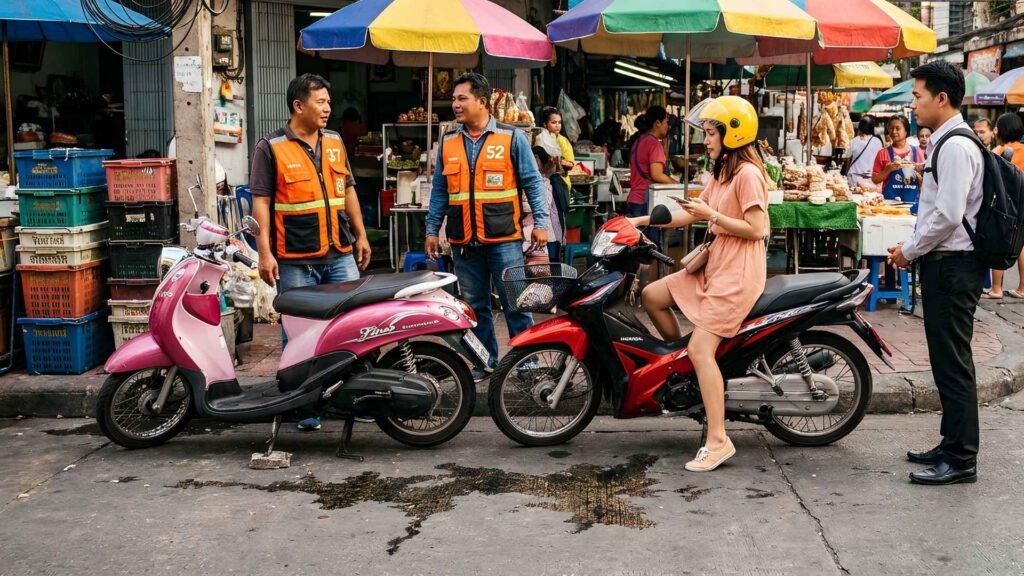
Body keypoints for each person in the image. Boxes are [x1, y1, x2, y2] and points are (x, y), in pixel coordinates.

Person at [629, 96, 769, 473]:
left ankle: (719, 439)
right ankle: (685, 366)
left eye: (710, 133)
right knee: (652, 295)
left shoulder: (748, 176)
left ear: (732, 134)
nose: (705, 140)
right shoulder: (721, 172)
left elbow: (758, 229)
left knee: (702, 349)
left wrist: (714, 215)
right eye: (705, 133)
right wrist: (640, 222)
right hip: (714, 266)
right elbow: (691, 214)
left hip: (736, 275)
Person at [249, 73, 372, 431]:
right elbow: (261, 202)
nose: (327, 109)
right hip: (296, 258)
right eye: (321, 102)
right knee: (299, 334)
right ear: (298, 106)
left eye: (329, 103)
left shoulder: (334, 141)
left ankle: (358, 397)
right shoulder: (270, 147)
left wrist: (361, 236)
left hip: (339, 252)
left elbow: (347, 191)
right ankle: (304, 406)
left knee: (356, 325)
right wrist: (264, 253)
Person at [888, 61, 985, 486]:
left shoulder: (956, 147)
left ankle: (961, 459)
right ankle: (950, 443)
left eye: (917, 96)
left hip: (954, 267)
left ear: (941, 99)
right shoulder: (946, 142)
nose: (913, 104)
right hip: (944, 266)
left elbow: (947, 215)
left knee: (954, 364)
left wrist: (908, 251)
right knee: (945, 361)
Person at [424, 73, 549, 379]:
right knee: (474, 306)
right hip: (463, 241)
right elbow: (440, 189)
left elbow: (533, 184)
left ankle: (527, 366)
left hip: (504, 239)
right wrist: (431, 229)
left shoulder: (512, 138)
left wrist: (541, 223)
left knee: (516, 304)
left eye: (461, 98)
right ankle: (485, 362)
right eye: (454, 98)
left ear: (482, 102)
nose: (455, 104)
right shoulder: (448, 142)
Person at [983, 113, 1024, 300]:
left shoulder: (999, 151)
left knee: (1001, 238)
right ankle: (1022, 288)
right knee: (1022, 244)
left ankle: (997, 289)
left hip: (1005, 205)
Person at [627, 106, 677, 218]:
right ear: (657, 123)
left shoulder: (639, 140)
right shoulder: (654, 144)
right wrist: (676, 185)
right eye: (666, 122)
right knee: (648, 236)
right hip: (645, 201)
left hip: (633, 199)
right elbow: (657, 175)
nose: (667, 126)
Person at [871, 115, 924, 204]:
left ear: (906, 131)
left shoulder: (917, 152)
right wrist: (887, 170)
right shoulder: (883, 153)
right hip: (890, 205)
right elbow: (875, 179)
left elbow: (926, 179)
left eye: (897, 128)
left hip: (912, 204)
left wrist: (917, 173)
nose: (894, 131)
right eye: (891, 128)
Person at [531, 145, 570, 262]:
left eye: (536, 160)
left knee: (551, 263)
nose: (532, 163)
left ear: (543, 163)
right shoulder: (528, 181)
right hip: (535, 234)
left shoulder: (550, 181)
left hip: (550, 232)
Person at [536, 106, 575, 190]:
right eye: (554, 122)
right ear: (545, 124)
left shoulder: (563, 141)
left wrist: (557, 161)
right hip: (541, 182)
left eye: (559, 122)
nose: (558, 126)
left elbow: (571, 164)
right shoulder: (539, 139)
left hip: (560, 182)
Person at [844, 116, 884, 188]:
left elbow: (847, 158)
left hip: (854, 178)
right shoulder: (878, 142)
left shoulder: (854, 141)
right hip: (870, 179)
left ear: (860, 127)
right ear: (872, 127)